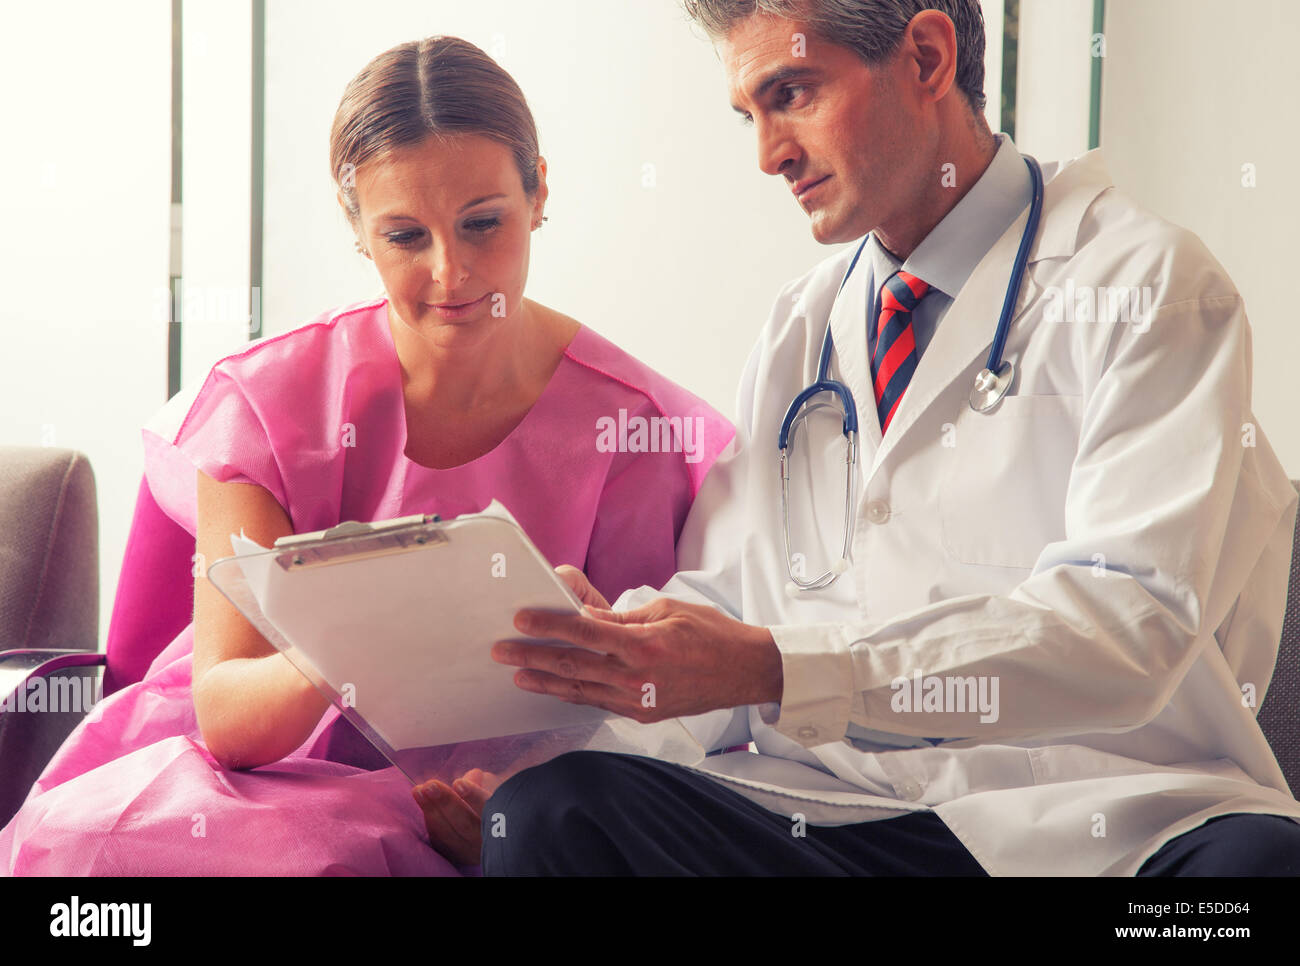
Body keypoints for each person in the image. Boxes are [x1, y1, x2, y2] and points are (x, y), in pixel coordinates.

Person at [478, 0, 1300, 875]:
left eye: (791, 92)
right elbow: (733, 596)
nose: (768, 154)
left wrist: (780, 668)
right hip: (841, 818)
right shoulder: (801, 327)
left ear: (928, 57)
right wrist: (620, 662)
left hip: (1110, 818)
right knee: (552, 812)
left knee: (1239, 888)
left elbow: (1125, 629)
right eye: (750, 116)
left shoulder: (1148, 286)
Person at [0, 35, 732, 876]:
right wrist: (370, 626)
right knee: (98, 850)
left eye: (482, 223)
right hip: (250, 778)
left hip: (494, 790)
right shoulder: (267, 406)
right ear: (358, 232)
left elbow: (633, 719)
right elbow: (232, 721)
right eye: (405, 236)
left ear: (539, 193)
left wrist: (514, 806)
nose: (451, 273)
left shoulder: (634, 426)